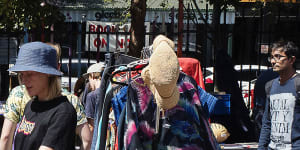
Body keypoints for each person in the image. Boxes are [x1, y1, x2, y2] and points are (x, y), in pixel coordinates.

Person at [0, 42, 92, 150]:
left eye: (29, 74)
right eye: (21, 75)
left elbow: (87, 139)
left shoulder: (63, 112)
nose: (24, 81)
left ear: (48, 73)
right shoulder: (31, 105)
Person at [258, 40, 300, 149]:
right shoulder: (270, 86)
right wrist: (261, 147)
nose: (273, 61)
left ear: (291, 60)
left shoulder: (298, 84)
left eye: (278, 57)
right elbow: (267, 122)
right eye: (272, 57)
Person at [82, 63, 104, 133]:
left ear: (92, 75)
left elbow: (91, 126)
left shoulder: (91, 96)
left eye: (88, 79)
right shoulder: (112, 92)